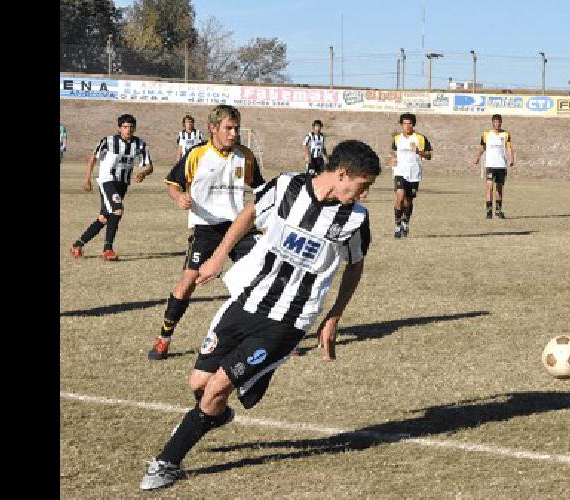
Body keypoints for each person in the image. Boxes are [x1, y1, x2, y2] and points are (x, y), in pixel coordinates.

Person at [139, 140, 380, 491]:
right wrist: (220, 254)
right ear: (342, 174)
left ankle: (166, 463)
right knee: (199, 384)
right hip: (247, 301)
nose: (365, 195)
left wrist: (333, 317)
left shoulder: (355, 219)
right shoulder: (286, 187)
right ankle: (222, 408)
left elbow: (355, 266)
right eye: (363, 185)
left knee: (217, 387)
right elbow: (251, 212)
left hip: (288, 320)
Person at [148, 105, 266, 361]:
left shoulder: (245, 156)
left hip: (239, 228)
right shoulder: (197, 154)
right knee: (188, 282)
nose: (234, 133)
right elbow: (172, 183)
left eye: (236, 128)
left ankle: (265, 337)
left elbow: (260, 187)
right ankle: (164, 337)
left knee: (261, 276)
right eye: (228, 128)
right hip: (206, 229)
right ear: (213, 128)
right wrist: (179, 196)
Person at [70, 114, 153, 261]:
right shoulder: (108, 141)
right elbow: (93, 159)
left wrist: (143, 173)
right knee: (117, 210)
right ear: (119, 128)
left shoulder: (140, 144)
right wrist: (87, 179)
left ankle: (77, 245)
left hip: (123, 183)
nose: (128, 130)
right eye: (125, 127)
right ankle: (108, 249)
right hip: (107, 180)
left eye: (131, 127)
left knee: (104, 217)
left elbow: (149, 166)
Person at [390, 112, 432, 238]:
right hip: (399, 171)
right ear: (401, 125)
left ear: (413, 125)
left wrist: (419, 152)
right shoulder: (397, 138)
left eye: (409, 124)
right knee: (400, 197)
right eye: (404, 124)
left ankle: (405, 222)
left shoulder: (420, 138)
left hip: (414, 173)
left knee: (408, 201)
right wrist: (392, 159)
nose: (407, 126)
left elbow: (429, 155)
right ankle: (397, 226)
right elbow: (393, 152)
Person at [473, 114, 514, 219]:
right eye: (495, 122)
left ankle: (498, 211)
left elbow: (509, 148)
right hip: (490, 165)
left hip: (501, 165)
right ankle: (489, 211)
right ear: (492, 123)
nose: (497, 124)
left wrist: (511, 159)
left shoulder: (506, 134)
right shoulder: (486, 134)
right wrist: (477, 157)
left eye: (499, 122)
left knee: (499, 188)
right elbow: (482, 147)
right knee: (489, 187)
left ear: (501, 122)